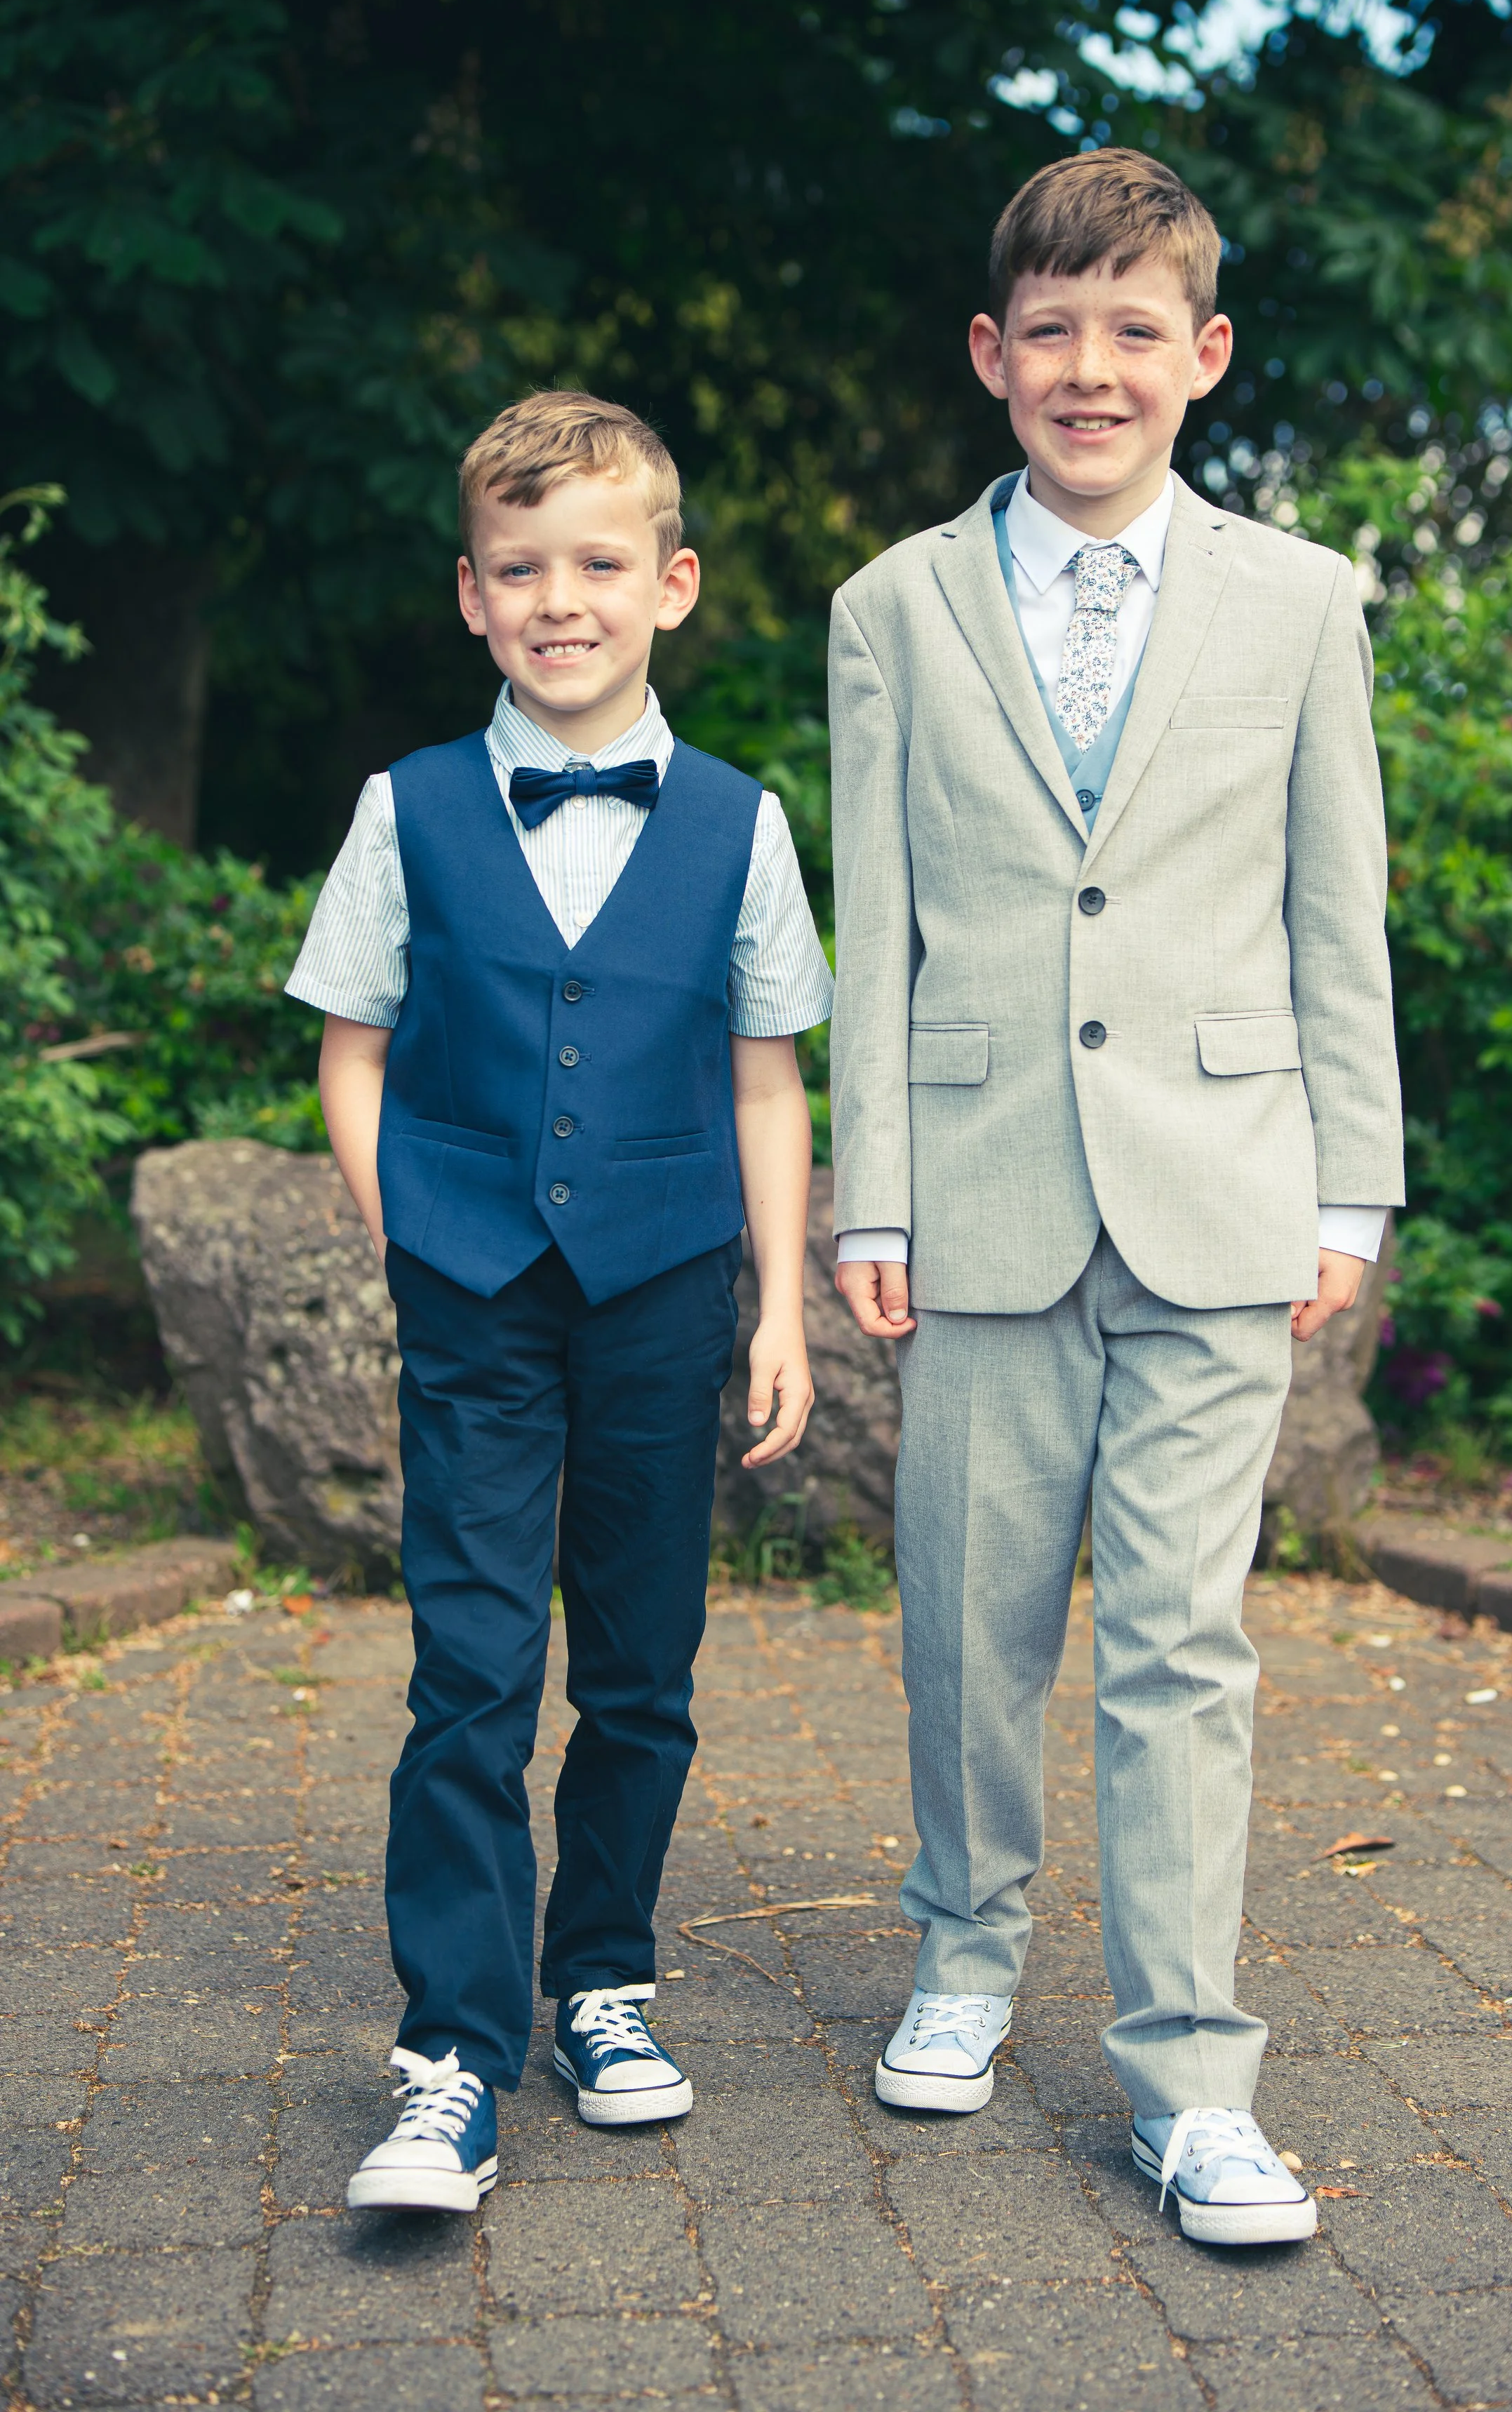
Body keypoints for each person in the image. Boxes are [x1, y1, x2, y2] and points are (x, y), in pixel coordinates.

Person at [827, 150, 1403, 2248]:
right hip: (976, 1187)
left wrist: (1358, 1180)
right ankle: (965, 1958)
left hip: (1224, 1189)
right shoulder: (888, 610)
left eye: (1134, 329)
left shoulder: (1301, 600)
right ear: (994, 356)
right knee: (971, 1625)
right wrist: (865, 1198)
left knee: (1185, 1641)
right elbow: (880, 919)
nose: (1092, 367)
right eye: (1050, 330)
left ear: (1205, 357)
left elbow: (1338, 915)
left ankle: (1189, 2077)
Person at [286, 389, 833, 2212]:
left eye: (600, 563)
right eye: (522, 569)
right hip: (476, 1302)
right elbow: (351, 1048)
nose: (561, 598)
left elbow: (770, 1076)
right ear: (471, 595)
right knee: (468, 1669)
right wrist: (402, 1226)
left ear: (670, 583)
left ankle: (602, 1977)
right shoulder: (411, 809)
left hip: (670, 1292)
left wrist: (776, 1306)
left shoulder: (745, 823)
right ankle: (450, 2048)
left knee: (643, 1666)